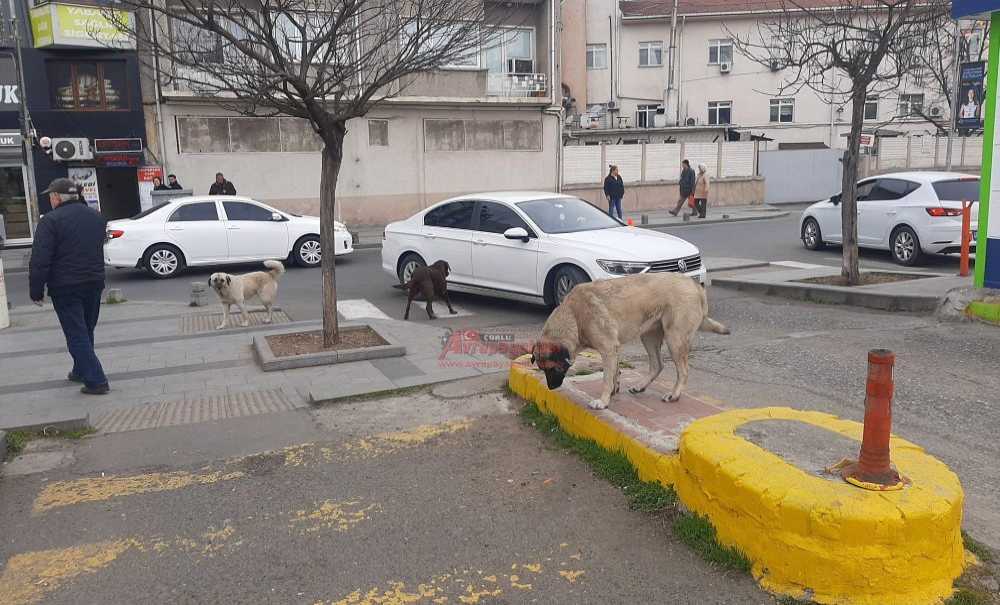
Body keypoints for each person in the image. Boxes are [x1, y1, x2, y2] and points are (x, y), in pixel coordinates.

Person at [29, 178, 110, 395]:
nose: (50, 199)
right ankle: (80, 369)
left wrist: (36, 290)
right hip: (94, 282)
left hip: (66, 286)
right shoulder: (96, 217)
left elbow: (40, 259)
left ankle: (96, 380)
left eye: (50, 196)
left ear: (56, 198)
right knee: (86, 329)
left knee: (76, 333)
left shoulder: (51, 221)